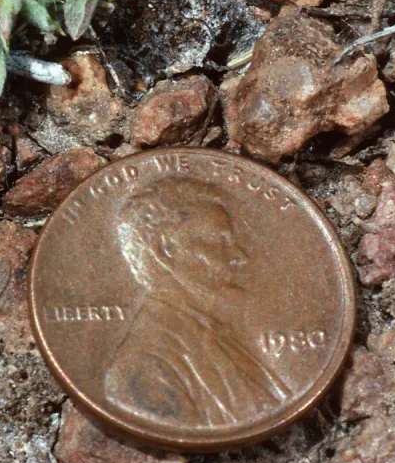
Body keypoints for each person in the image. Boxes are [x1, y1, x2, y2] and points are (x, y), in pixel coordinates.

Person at [104, 177, 291, 429]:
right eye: (220, 241)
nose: (239, 257)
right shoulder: (146, 367)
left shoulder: (213, 338)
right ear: (166, 249)